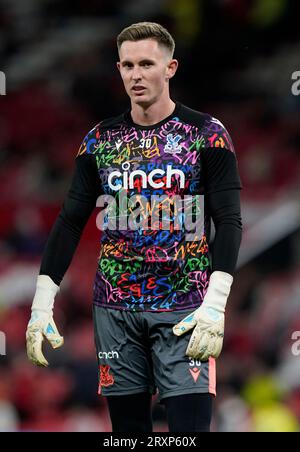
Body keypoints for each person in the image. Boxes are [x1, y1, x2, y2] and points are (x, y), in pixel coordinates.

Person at [26, 22, 242, 432]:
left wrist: (216, 303)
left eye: (147, 63)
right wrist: (41, 304)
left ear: (170, 67)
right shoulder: (99, 141)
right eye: (127, 65)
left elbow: (228, 220)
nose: (136, 75)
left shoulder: (207, 135)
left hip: (186, 306)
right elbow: (70, 221)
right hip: (115, 307)